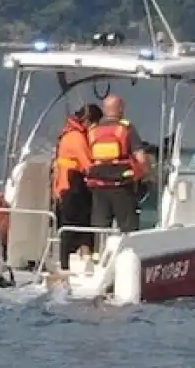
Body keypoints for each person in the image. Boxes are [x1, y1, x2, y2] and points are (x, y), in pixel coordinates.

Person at [85, 95, 150, 233]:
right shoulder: (126, 128)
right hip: (122, 185)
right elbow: (141, 158)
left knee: (100, 228)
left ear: (104, 109)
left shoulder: (92, 131)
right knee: (128, 228)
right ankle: (129, 251)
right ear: (120, 109)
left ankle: (99, 252)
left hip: (98, 186)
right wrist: (147, 174)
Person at [51, 103, 103, 270]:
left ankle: (81, 260)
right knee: (72, 227)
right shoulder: (76, 138)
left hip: (68, 185)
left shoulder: (69, 134)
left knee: (79, 226)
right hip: (71, 186)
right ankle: (66, 266)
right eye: (95, 124)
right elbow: (88, 165)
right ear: (88, 121)